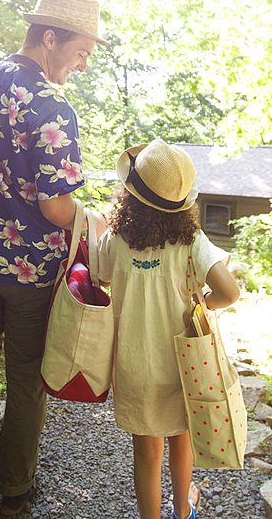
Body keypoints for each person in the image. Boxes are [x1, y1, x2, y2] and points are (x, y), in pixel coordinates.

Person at [0, 0, 108, 518]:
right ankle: (15, 492)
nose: (82, 65)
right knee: (27, 378)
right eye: (81, 52)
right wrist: (98, 221)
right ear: (50, 37)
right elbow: (58, 208)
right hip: (30, 270)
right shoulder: (52, 104)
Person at [97, 139, 240, 519]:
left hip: (132, 364)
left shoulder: (115, 239)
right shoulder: (192, 242)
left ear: (131, 195)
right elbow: (229, 291)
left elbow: (100, 279)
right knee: (182, 439)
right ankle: (182, 510)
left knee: (146, 454)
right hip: (183, 363)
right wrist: (201, 304)